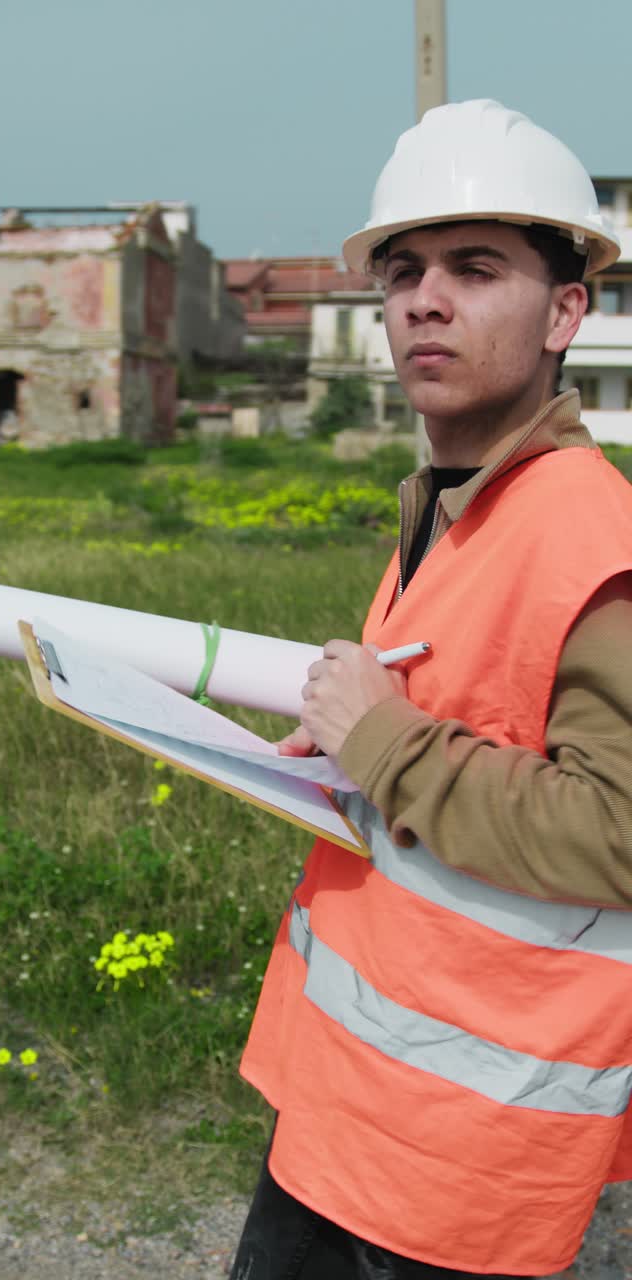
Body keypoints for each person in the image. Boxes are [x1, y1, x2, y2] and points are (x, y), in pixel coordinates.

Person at [228, 100, 632, 1280]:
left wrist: (389, 743)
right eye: (402, 272)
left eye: (475, 268)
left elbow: (620, 828)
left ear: (566, 311)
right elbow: (453, 731)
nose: (424, 300)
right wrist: (345, 748)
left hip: (466, 1161)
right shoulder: (453, 507)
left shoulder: (593, 536)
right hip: (347, 1106)